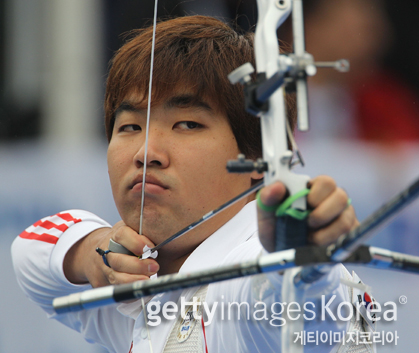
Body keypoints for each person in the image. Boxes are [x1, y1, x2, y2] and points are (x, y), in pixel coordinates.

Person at [12, 16, 374, 353]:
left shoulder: (243, 276)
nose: (146, 152)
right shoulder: (136, 290)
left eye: (187, 124)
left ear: (259, 157)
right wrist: (94, 256)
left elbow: (297, 314)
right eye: (129, 127)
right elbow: (29, 252)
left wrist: (302, 260)